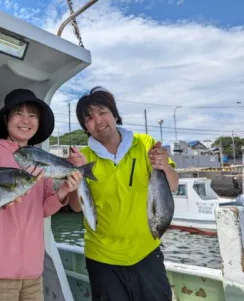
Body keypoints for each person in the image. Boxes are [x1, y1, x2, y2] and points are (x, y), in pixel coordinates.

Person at [0, 88, 82, 301]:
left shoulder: (41, 158)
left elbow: (44, 209)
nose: (25, 120)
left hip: (33, 275)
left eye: (32, 115)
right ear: (6, 118)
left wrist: (64, 189)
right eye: (19, 113)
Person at [68, 86, 179, 301]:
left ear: (114, 114)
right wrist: (76, 174)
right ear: (85, 126)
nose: (98, 120)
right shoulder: (83, 157)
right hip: (102, 257)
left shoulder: (144, 144)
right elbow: (75, 206)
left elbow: (172, 185)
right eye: (89, 118)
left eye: (102, 112)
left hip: (146, 253)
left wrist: (165, 166)